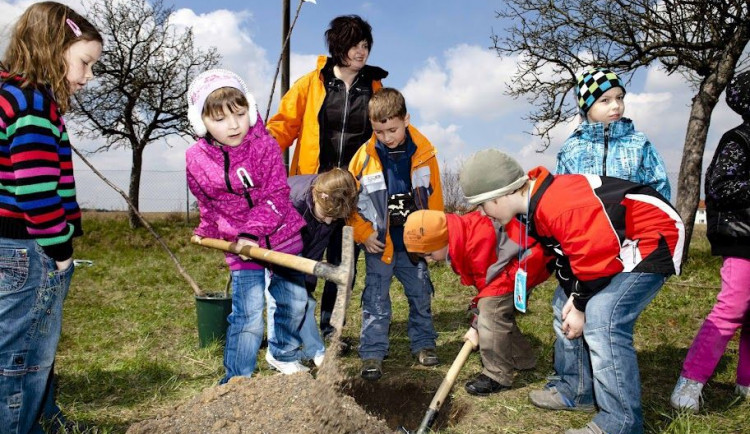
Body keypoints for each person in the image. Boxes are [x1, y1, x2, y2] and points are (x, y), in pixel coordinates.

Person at [459, 149, 684, 434]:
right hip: (611, 248)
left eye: (482, 206)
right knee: (561, 301)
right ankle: (576, 389)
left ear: (499, 196)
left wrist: (581, 305)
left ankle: (620, 422)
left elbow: (597, 257)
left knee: (603, 317)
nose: (482, 213)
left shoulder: (558, 204)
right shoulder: (530, 211)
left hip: (652, 238)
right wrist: (572, 297)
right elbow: (566, 256)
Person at [0, 2, 102, 432]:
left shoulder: (9, 93)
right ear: (52, 47)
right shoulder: (33, 103)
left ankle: (40, 417)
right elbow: (36, 192)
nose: (88, 76)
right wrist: (60, 250)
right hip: (29, 247)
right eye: (85, 62)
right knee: (22, 357)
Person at [267, 15, 387, 340]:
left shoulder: (375, 90)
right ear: (338, 46)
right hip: (312, 192)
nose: (361, 52)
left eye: (365, 46)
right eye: (354, 45)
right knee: (300, 262)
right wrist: (256, 152)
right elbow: (283, 125)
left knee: (343, 264)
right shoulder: (311, 83)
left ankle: (331, 331)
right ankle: (294, 327)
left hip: (353, 195)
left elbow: (389, 135)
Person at [186, 69, 309, 382]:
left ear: (250, 111)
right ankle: (237, 377)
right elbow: (207, 201)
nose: (233, 125)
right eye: (219, 119)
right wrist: (208, 229)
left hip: (281, 237)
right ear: (201, 122)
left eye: (239, 115)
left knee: (293, 303)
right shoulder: (196, 159)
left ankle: (283, 355)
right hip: (241, 250)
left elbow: (277, 194)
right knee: (248, 314)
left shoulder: (263, 145)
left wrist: (251, 232)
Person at [348, 87, 443, 381]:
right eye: (379, 131)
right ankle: (373, 354)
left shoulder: (426, 154)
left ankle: (424, 344)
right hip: (380, 245)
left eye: (392, 129)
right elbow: (349, 204)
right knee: (376, 299)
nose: (387, 137)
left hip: (414, 245)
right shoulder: (362, 159)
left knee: (421, 294)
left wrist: (435, 241)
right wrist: (363, 234)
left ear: (406, 119)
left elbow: (436, 200)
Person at [403, 210, 553, 395]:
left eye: (429, 253)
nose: (428, 259)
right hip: (507, 268)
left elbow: (491, 283)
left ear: (441, 240)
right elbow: (486, 281)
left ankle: (497, 375)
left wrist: (478, 322)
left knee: (491, 309)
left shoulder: (475, 239)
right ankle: (522, 359)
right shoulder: (459, 238)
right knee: (493, 310)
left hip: (527, 261)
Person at [670, 70, 750, 412]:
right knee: (732, 306)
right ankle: (690, 381)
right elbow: (719, 186)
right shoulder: (739, 140)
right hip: (742, 238)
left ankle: (746, 381)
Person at [265, 168, 359, 368]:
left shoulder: (334, 202)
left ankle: (313, 350)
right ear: (317, 196)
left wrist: (306, 281)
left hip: (300, 245)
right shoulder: (291, 201)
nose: (328, 221)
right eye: (326, 215)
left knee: (304, 299)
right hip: (271, 241)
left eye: (333, 219)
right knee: (283, 298)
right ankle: (279, 354)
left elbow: (316, 245)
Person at [556, 67, 671, 200]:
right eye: (605, 100)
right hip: (587, 219)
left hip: (632, 219)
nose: (616, 105)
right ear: (587, 107)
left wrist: (652, 217)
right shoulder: (571, 149)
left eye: (619, 98)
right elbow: (561, 193)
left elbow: (659, 185)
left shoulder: (638, 143)